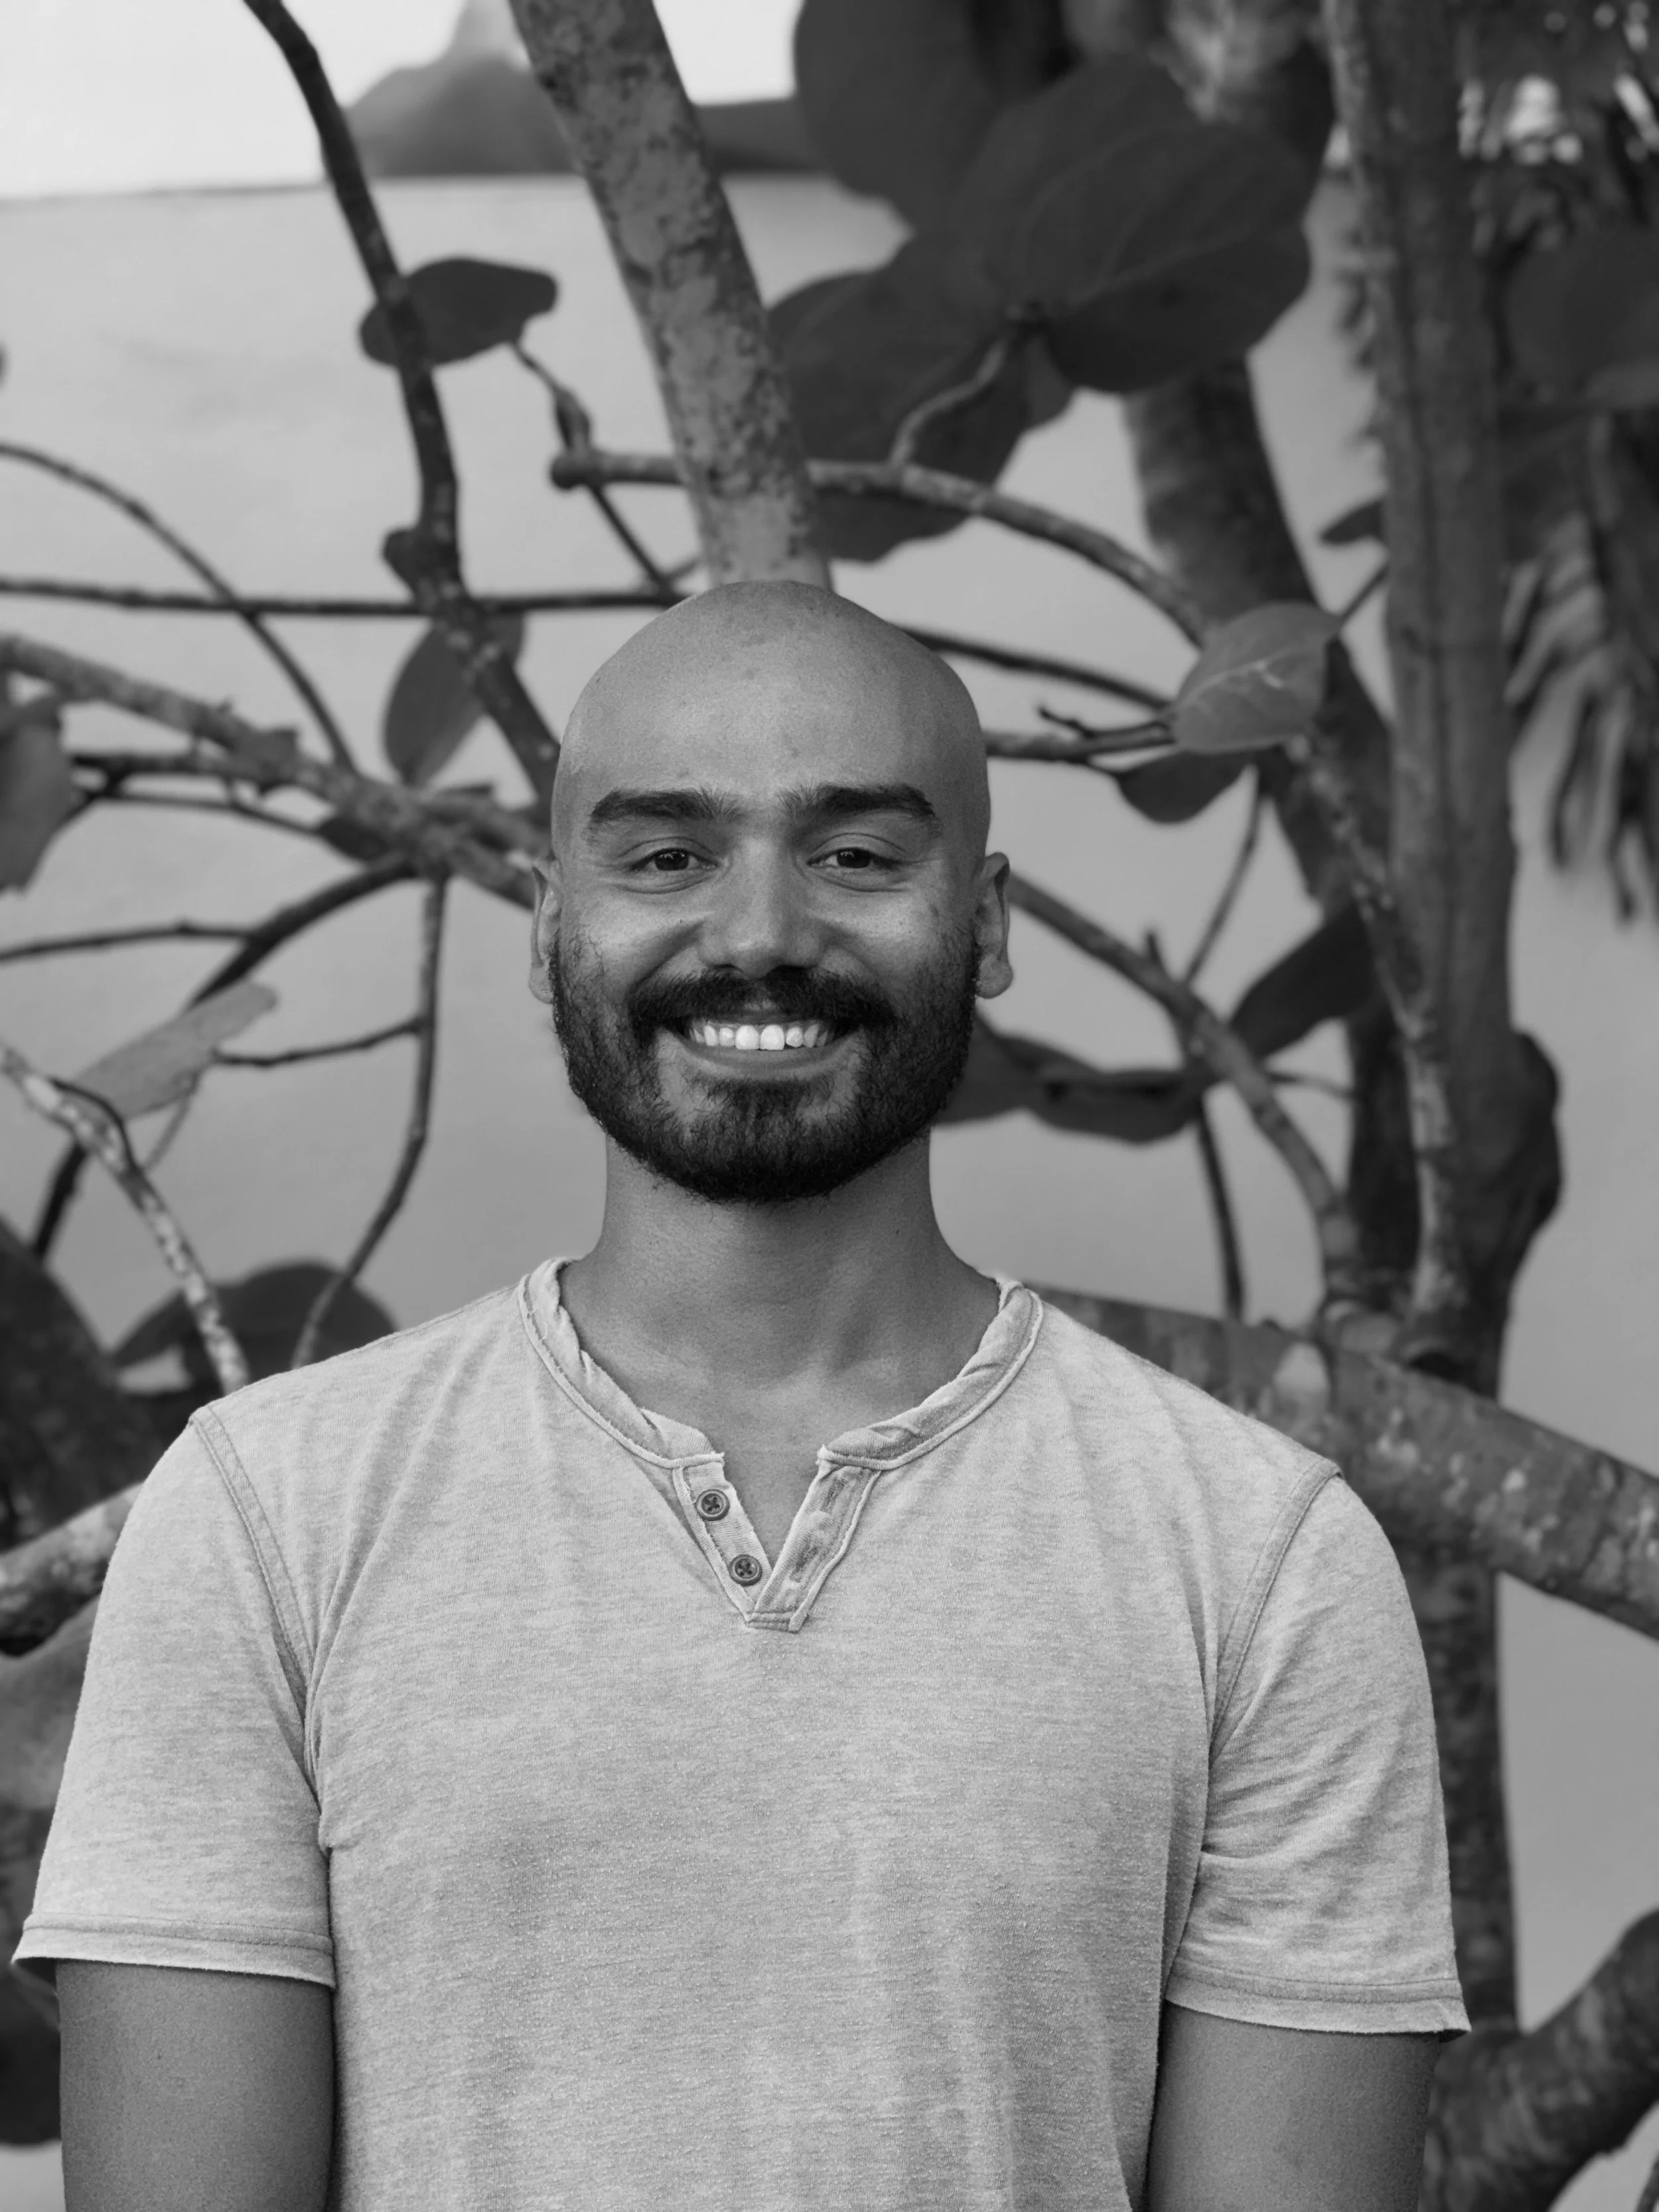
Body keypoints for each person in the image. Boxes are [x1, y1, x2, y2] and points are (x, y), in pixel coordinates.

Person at [17, 583, 1467, 2212]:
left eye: (854, 854)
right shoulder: (269, 1515)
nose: (762, 929)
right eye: (664, 855)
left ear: (984, 923)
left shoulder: (1259, 1561)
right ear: (552, 921)